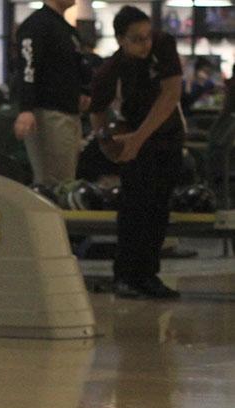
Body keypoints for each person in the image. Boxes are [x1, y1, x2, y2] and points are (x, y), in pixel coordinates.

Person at [91, 6, 184, 299]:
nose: (146, 44)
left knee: (159, 209)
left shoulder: (164, 45)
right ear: (120, 40)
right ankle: (125, 275)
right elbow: (97, 114)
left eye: (147, 37)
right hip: (134, 146)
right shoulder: (110, 70)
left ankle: (148, 275)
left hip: (165, 139)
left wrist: (139, 138)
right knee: (134, 210)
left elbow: (171, 94)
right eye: (137, 39)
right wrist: (109, 144)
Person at [13, 0, 91, 187]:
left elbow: (73, 67)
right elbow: (27, 67)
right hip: (48, 112)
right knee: (54, 183)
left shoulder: (65, 28)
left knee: (65, 180)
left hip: (68, 112)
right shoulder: (37, 25)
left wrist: (82, 90)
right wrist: (26, 109)